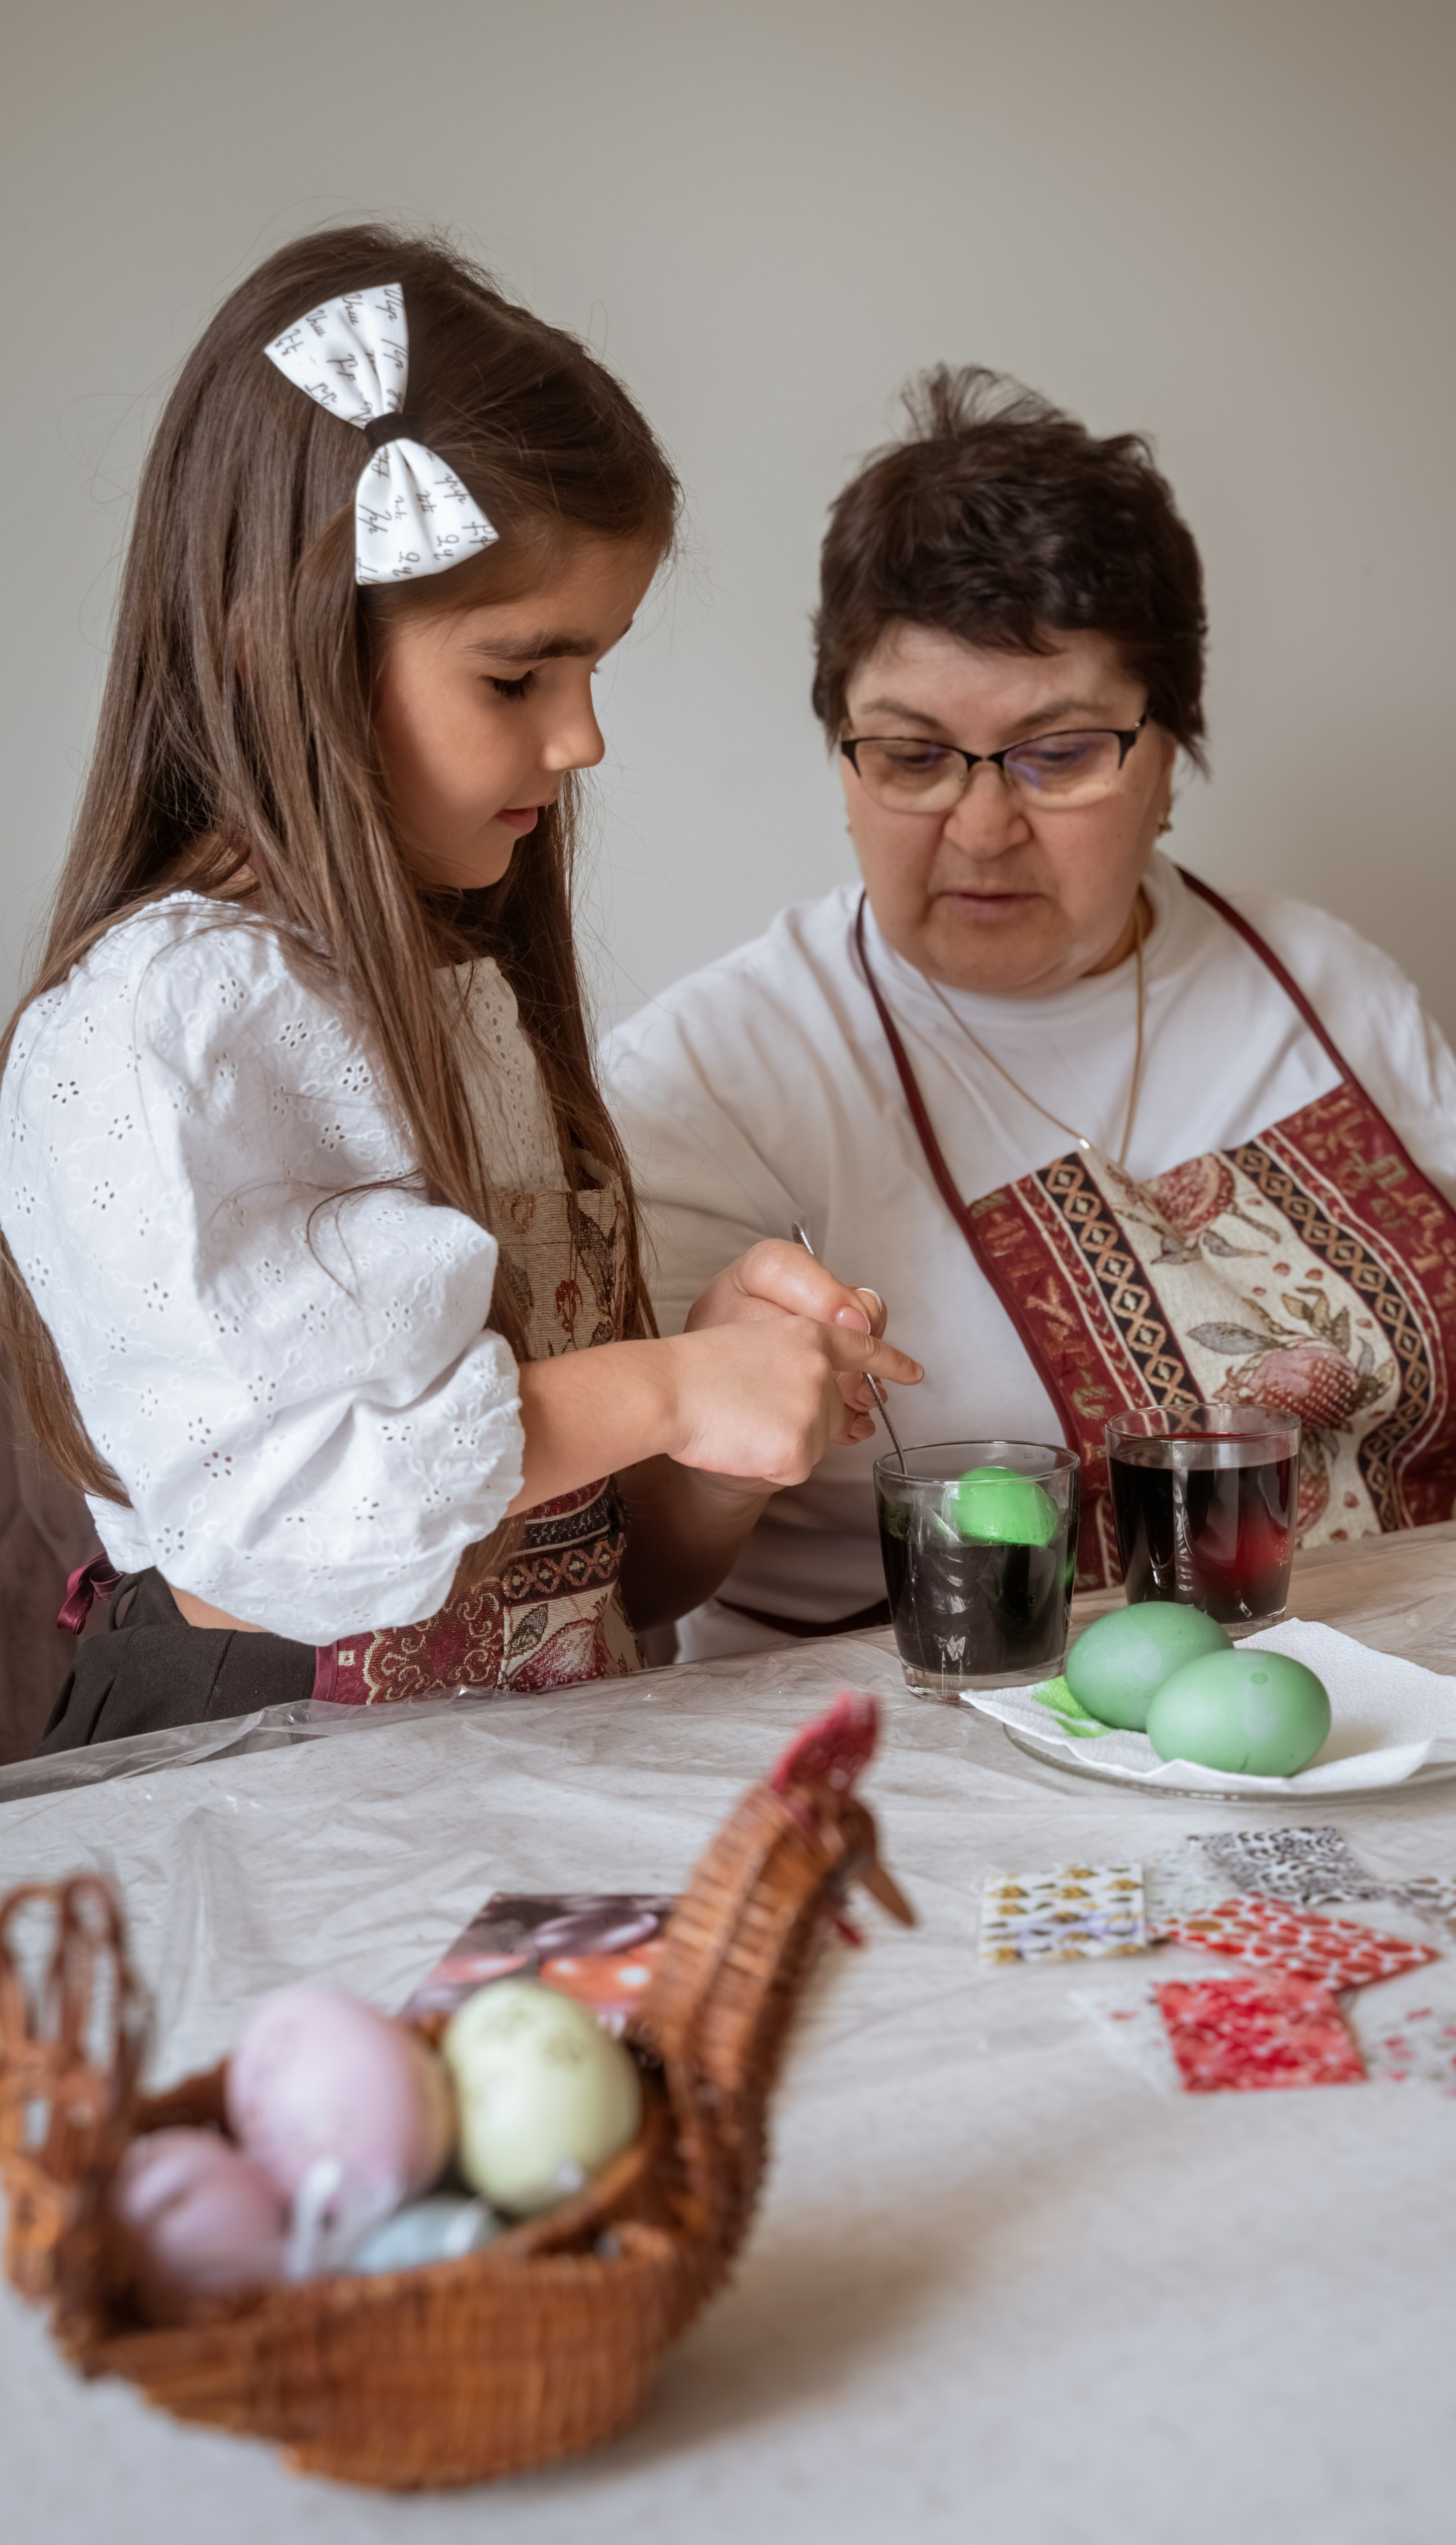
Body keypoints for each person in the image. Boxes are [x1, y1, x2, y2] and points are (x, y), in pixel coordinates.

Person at [602, 367, 1456, 1659]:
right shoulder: (713, 1073)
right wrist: (720, 1460)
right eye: (910, 755)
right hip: (941, 1748)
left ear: (1167, 753)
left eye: (1055, 753)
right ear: (841, 757)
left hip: (1372, 1702)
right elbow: (637, 1578)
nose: (981, 822)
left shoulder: (1313, 978)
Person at [0, 227, 918, 1749]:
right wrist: (666, 1389)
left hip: (519, 1775)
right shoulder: (169, 1024)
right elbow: (272, 1548)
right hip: (259, 1791)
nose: (581, 742)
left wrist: (723, 1417)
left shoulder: (471, 991)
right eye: (517, 676)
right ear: (269, 645)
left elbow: (626, 1585)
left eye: (595, 670)